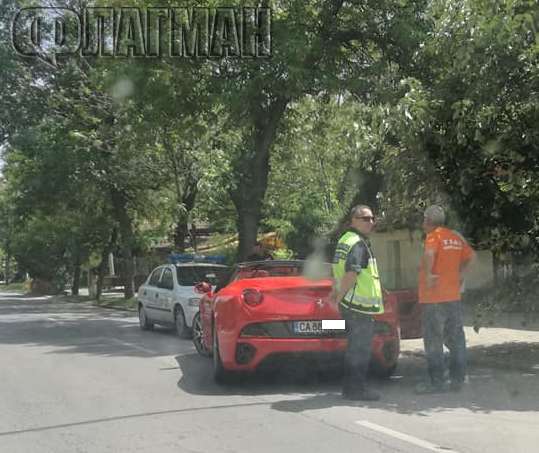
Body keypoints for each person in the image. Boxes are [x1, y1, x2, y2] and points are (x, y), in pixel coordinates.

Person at [416, 205, 475, 394]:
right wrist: (461, 274)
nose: (423, 223)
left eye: (424, 220)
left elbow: (429, 254)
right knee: (457, 339)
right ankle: (458, 380)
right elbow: (470, 257)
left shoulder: (434, 236)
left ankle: (437, 382)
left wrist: (428, 275)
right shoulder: (455, 237)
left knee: (433, 340)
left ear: (428, 221)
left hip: (434, 298)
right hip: (453, 297)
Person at [331, 205, 383, 401]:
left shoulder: (345, 240)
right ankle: (356, 390)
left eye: (371, 218)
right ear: (353, 220)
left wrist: (337, 294)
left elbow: (338, 270)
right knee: (360, 349)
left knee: (354, 347)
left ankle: (349, 388)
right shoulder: (357, 244)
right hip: (357, 306)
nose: (370, 222)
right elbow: (352, 273)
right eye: (365, 218)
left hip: (350, 305)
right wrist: (339, 296)